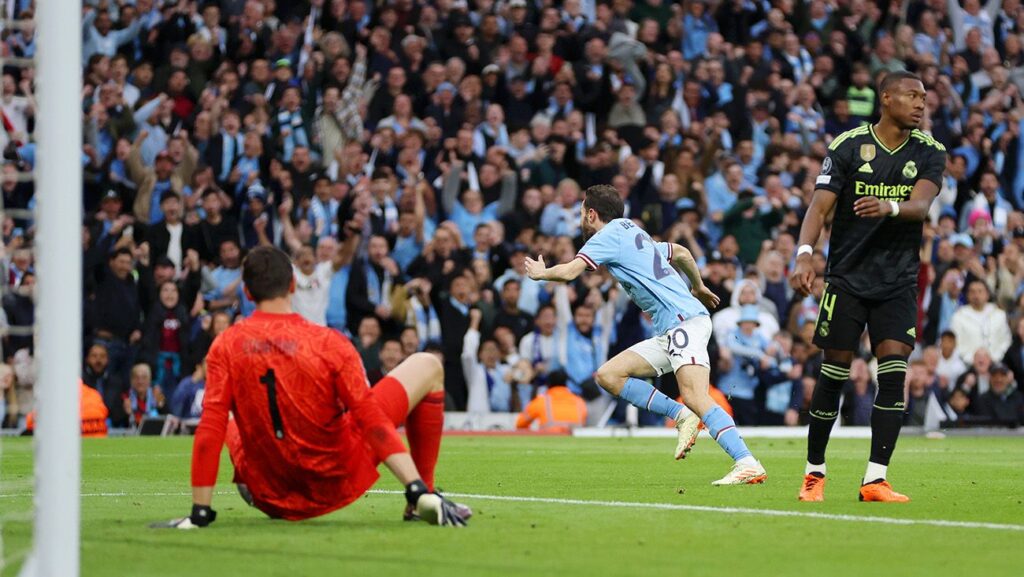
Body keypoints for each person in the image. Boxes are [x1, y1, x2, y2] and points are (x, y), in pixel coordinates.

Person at [158, 246, 470, 529]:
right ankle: (423, 496)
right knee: (427, 365)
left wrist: (199, 512)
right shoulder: (329, 342)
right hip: (333, 479)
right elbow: (370, 419)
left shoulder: (226, 344)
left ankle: (247, 481)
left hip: (269, 492)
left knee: (224, 418)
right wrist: (413, 485)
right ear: (293, 285)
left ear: (247, 293)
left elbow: (208, 430)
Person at [525, 184, 766, 486]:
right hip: (672, 328)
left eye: (581, 214)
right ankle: (682, 416)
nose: (580, 222)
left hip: (683, 323)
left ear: (591, 213)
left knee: (696, 395)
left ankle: (746, 461)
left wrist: (541, 273)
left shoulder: (606, 236)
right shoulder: (633, 232)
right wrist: (698, 286)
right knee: (609, 376)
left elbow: (570, 272)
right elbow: (680, 252)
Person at [791, 71, 948, 502]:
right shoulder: (846, 147)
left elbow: (920, 206)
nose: (920, 104)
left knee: (894, 373)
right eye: (912, 96)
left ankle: (875, 479)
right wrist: (804, 254)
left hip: (898, 280)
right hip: (847, 277)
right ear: (886, 98)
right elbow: (819, 208)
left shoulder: (930, 150)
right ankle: (814, 474)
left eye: (924, 98)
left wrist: (890, 205)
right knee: (834, 372)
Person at [515, 369, 586, 433]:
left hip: (548, 440)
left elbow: (520, 424)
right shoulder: (579, 402)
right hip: (574, 441)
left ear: (549, 383)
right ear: (566, 383)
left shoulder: (541, 401)